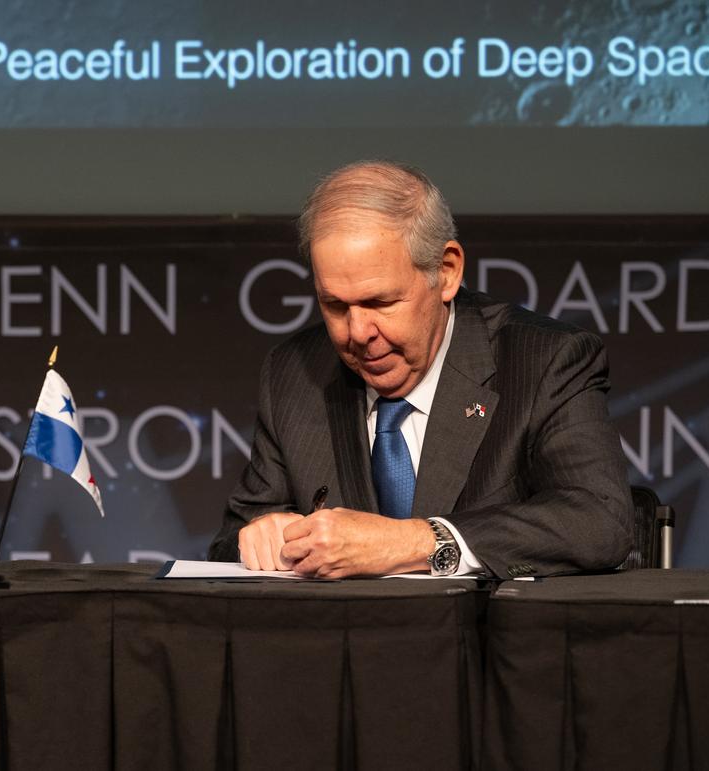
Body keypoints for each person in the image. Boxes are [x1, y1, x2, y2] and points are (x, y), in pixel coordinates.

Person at [208, 160, 632, 579]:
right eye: (334, 305)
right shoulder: (294, 373)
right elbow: (230, 542)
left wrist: (416, 542)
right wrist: (264, 539)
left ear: (446, 272)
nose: (357, 332)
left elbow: (599, 520)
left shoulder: (545, 360)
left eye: (380, 303)